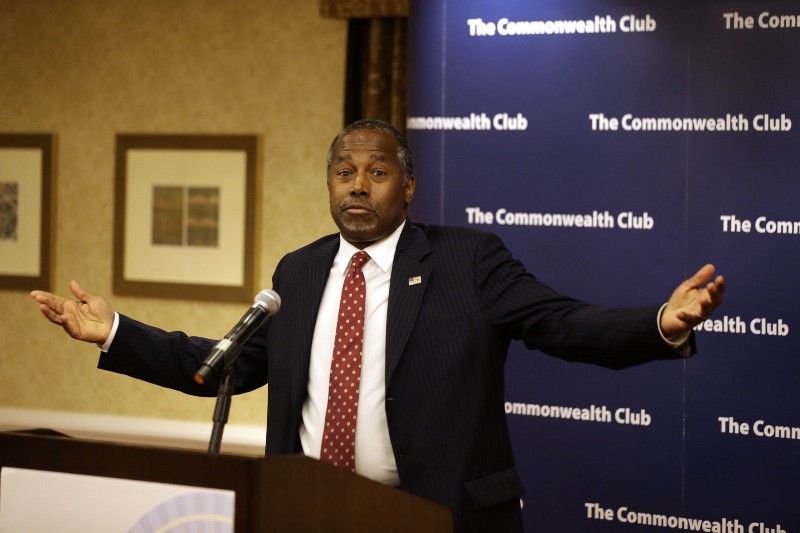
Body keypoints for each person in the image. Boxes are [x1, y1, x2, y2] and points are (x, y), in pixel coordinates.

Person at [31, 119, 724, 533]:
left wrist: (660, 321)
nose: (357, 186)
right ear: (329, 183)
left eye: (377, 171)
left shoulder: (466, 260)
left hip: (431, 519)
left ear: (408, 186)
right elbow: (226, 363)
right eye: (344, 172)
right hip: (307, 514)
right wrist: (114, 330)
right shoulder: (298, 271)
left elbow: (558, 323)